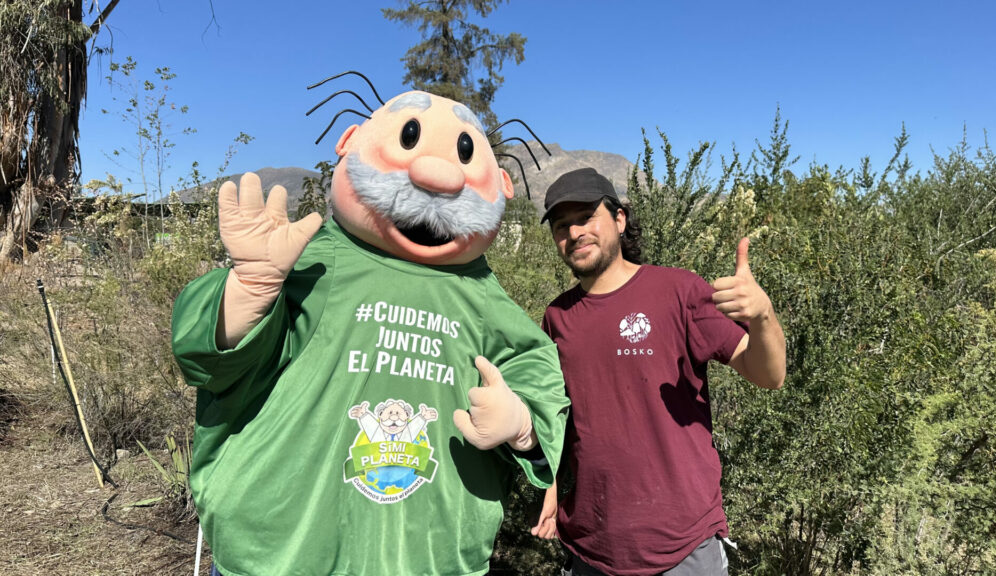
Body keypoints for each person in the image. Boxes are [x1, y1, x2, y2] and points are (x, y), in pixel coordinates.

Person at [172, 89, 569, 576]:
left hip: (425, 556)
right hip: (281, 553)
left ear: (502, 185)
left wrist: (523, 425)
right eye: (410, 137)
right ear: (350, 141)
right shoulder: (309, 262)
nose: (437, 175)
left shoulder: (484, 298)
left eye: (464, 155)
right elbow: (208, 356)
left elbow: (536, 370)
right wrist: (248, 292)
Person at [531, 168, 786, 576]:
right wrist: (549, 484)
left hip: (683, 548)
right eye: (562, 226)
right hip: (592, 549)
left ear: (619, 219)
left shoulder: (678, 291)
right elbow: (554, 416)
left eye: (586, 217)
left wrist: (764, 316)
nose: (575, 232)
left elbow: (768, 374)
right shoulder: (557, 317)